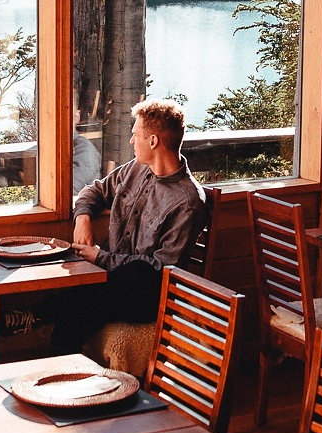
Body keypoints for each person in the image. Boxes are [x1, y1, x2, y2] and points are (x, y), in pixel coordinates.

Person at [36, 98, 209, 357]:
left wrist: (101, 257)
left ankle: (35, 316)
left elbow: (161, 270)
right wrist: (82, 216)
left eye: (135, 135)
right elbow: (93, 190)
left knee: (98, 291)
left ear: (153, 141)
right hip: (112, 278)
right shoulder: (136, 169)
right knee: (75, 313)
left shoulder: (188, 202)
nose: (131, 141)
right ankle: (59, 379)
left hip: (148, 296)